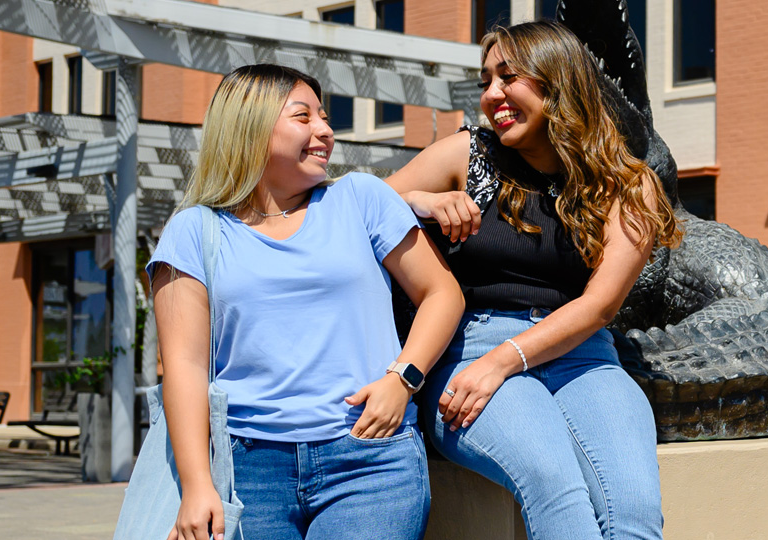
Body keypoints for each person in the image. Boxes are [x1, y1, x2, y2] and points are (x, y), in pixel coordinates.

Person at [385, 21, 681, 539]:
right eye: (486, 82)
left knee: (634, 514)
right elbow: (352, 208)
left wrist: (504, 362)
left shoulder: (629, 185)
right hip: (472, 346)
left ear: (558, 80)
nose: (492, 95)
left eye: (509, 77)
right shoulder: (468, 155)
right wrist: (420, 200)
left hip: (582, 355)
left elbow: (599, 306)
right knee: (556, 490)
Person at [149, 64, 464, 540]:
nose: (324, 130)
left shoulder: (361, 198)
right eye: (304, 117)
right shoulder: (193, 231)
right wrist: (197, 487)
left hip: (369, 459)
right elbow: (184, 367)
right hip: (247, 470)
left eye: (323, 116)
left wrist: (402, 380)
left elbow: (442, 294)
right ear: (250, 126)